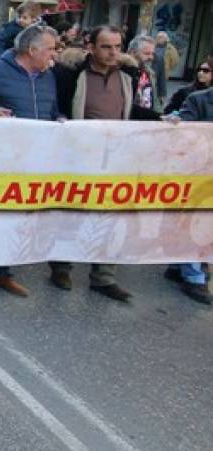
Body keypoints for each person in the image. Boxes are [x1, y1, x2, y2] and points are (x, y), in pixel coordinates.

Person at [49, 25, 159, 302]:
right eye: (106, 47)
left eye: (117, 47)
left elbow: (131, 109)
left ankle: (104, 277)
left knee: (111, 217)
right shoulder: (72, 75)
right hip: (79, 155)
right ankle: (62, 267)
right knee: (72, 213)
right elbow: (59, 107)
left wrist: (161, 120)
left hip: (115, 156)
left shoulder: (128, 77)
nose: (112, 53)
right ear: (91, 47)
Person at [0, 23, 63, 297]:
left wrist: (60, 120)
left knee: (15, 219)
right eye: (51, 49)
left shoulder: (48, 77)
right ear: (32, 50)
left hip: (33, 161)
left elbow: (51, 110)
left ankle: (1, 272)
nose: (54, 55)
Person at [164, 88, 213, 304]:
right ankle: (194, 277)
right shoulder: (198, 99)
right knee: (197, 223)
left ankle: (180, 265)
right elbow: (184, 133)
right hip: (199, 174)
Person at [127, 35, 160, 115]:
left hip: (147, 121)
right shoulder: (123, 73)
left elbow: (153, 100)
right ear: (133, 52)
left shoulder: (150, 73)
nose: (151, 57)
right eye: (147, 53)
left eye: (152, 54)